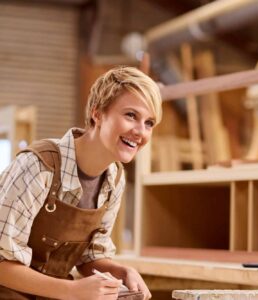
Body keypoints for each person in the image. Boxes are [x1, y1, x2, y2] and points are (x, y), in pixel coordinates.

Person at [0, 66, 162, 300]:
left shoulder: (114, 179)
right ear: (97, 114)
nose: (140, 131)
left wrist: (122, 272)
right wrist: (73, 291)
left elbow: (89, 257)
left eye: (149, 123)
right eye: (130, 115)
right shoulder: (38, 167)